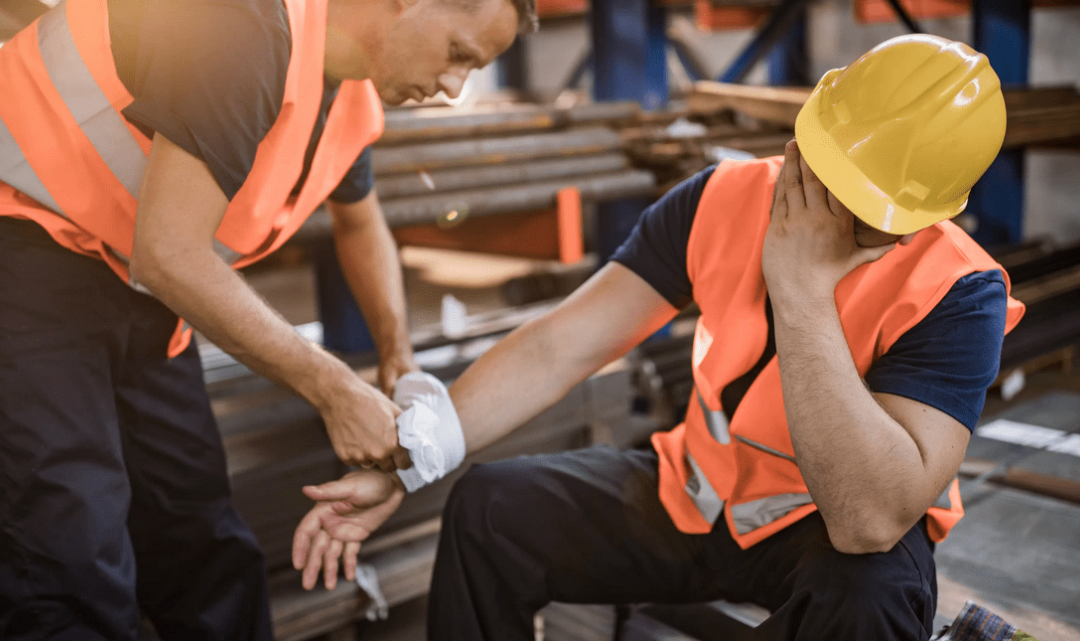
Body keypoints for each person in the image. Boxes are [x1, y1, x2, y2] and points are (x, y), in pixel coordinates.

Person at [291, 34, 1026, 640]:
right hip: (692, 497)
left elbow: (869, 518)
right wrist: (409, 460)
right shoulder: (719, 200)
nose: (826, 208)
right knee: (489, 509)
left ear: (921, 218)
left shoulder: (959, 292)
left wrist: (802, 290)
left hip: (820, 536)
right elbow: (561, 344)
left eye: (862, 206)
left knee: (872, 598)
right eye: (821, 170)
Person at [0, 0, 536, 638]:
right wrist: (335, 390)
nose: (455, 88)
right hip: (25, 249)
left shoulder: (345, 97)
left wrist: (398, 354)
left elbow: (361, 223)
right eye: (459, 55)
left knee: (201, 537)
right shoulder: (243, 23)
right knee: (69, 552)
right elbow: (170, 254)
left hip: (135, 286)